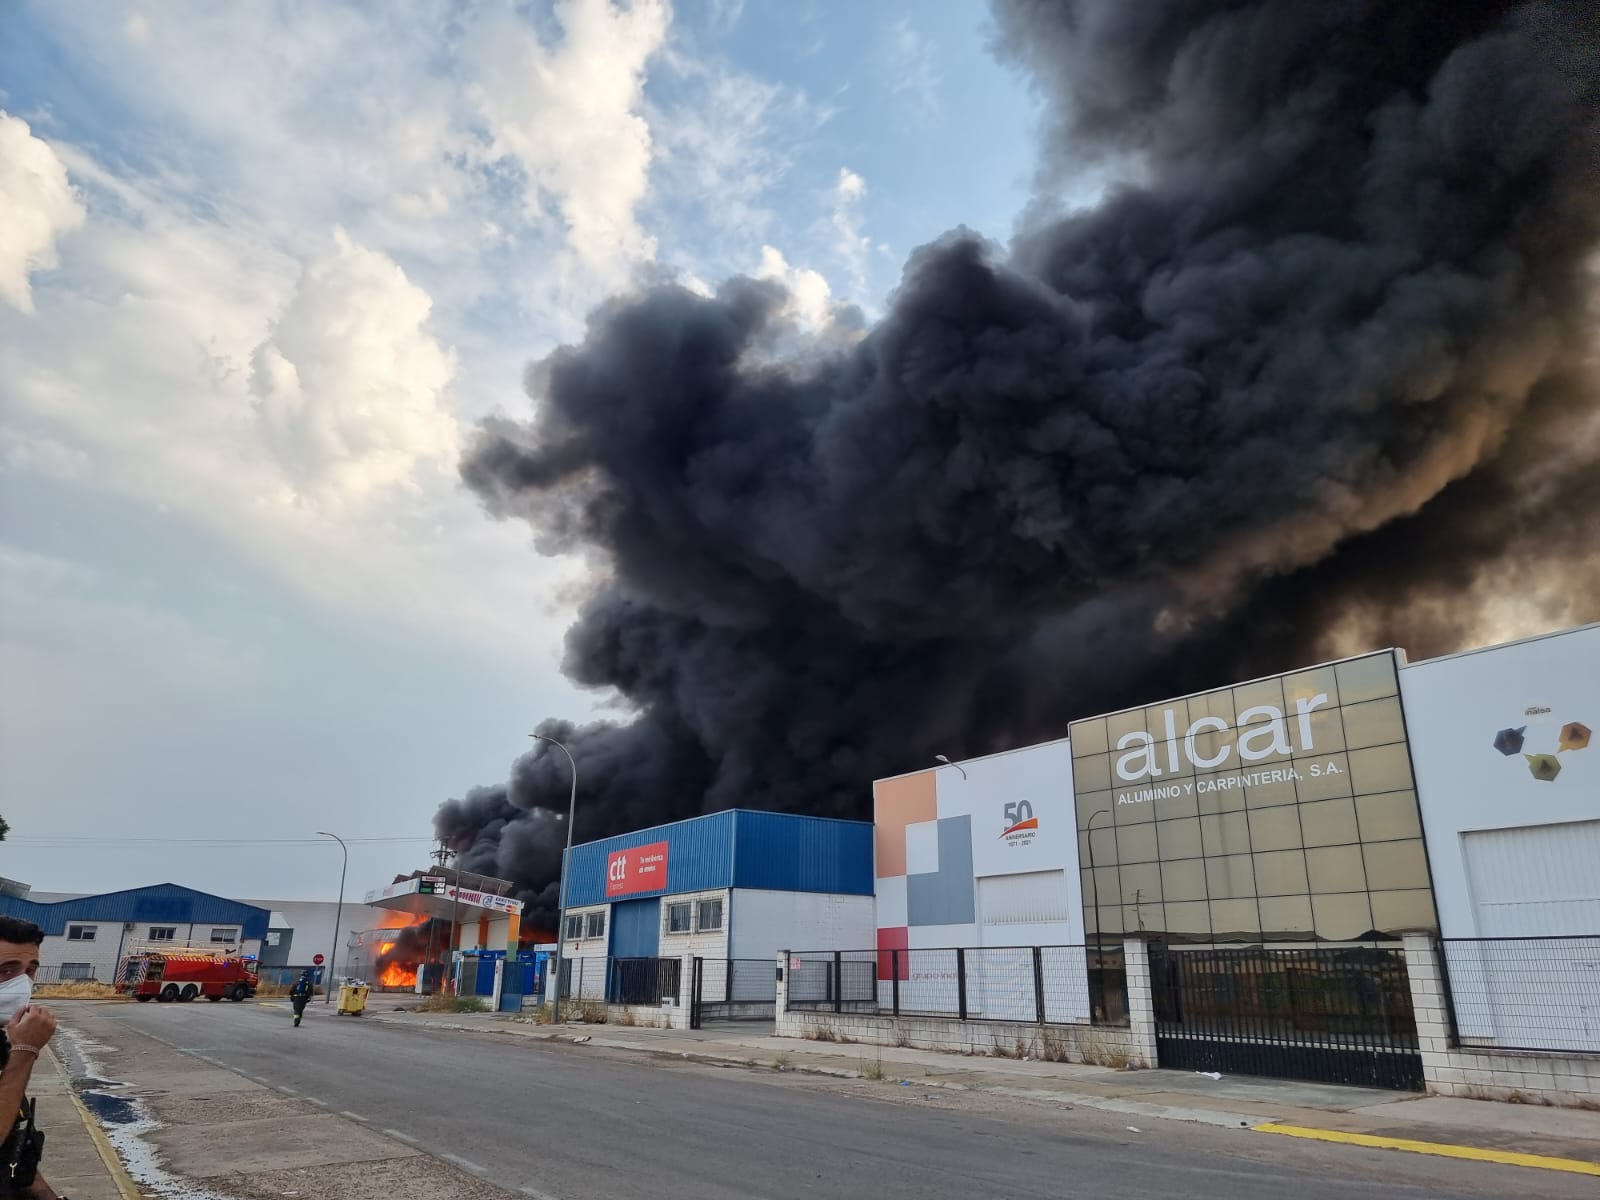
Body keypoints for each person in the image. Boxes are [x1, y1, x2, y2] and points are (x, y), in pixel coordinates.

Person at [0, 917, 55, 1194]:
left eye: (29, 971)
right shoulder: (17, 1048)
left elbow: (13, 1148)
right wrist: (25, 1052)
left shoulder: (2, 1041)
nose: (22, 985)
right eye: (6, 971)